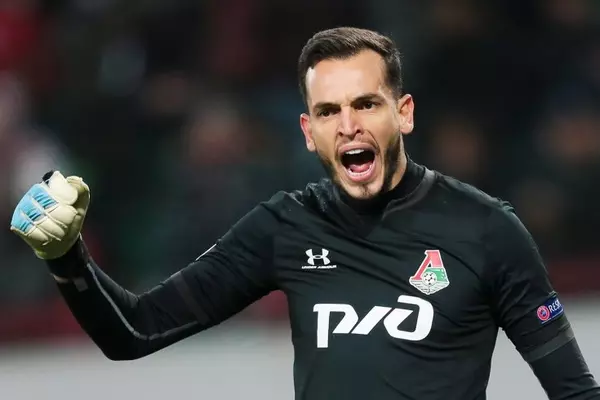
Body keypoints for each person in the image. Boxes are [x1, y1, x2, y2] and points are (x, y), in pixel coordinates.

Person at [9, 27, 600, 400]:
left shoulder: (488, 230)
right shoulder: (284, 226)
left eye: (366, 104)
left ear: (404, 113)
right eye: (328, 111)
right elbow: (134, 332)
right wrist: (67, 259)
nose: (349, 126)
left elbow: (573, 391)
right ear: (308, 131)